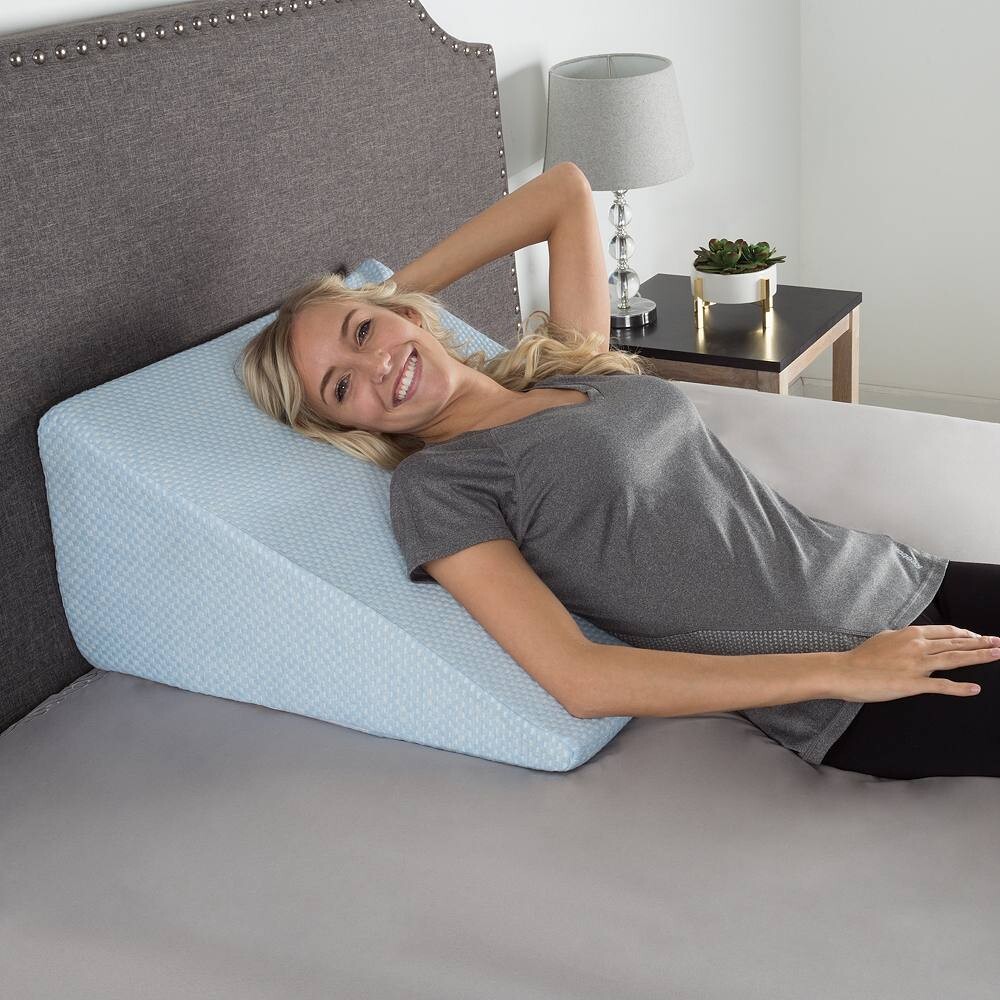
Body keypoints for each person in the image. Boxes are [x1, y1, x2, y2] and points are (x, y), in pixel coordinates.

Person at [239, 161, 1000, 780]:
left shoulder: (568, 367)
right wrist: (844, 670)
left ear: (406, 312)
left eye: (362, 333)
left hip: (902, 573)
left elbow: (564, 192)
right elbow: (580, 678)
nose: (376, 367)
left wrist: (386, 295)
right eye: (341, 387)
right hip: (854, 692)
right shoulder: (438, 486)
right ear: (349, 427)